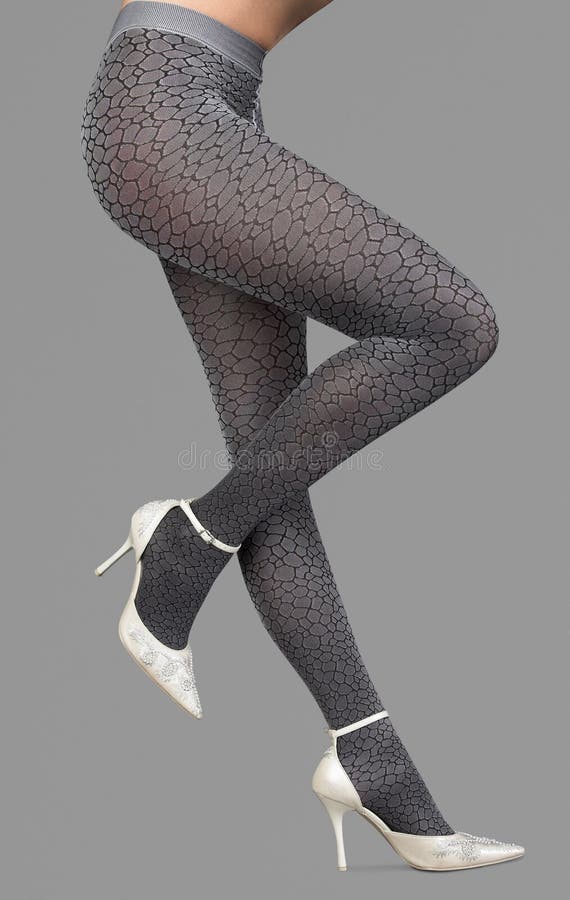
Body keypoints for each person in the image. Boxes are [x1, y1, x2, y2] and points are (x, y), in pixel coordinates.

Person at [81, 0, 524, 871]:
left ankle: (371, 760)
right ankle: (188, 542)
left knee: (271, 467)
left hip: (201, 102)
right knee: (453, 327)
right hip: (169, 107)